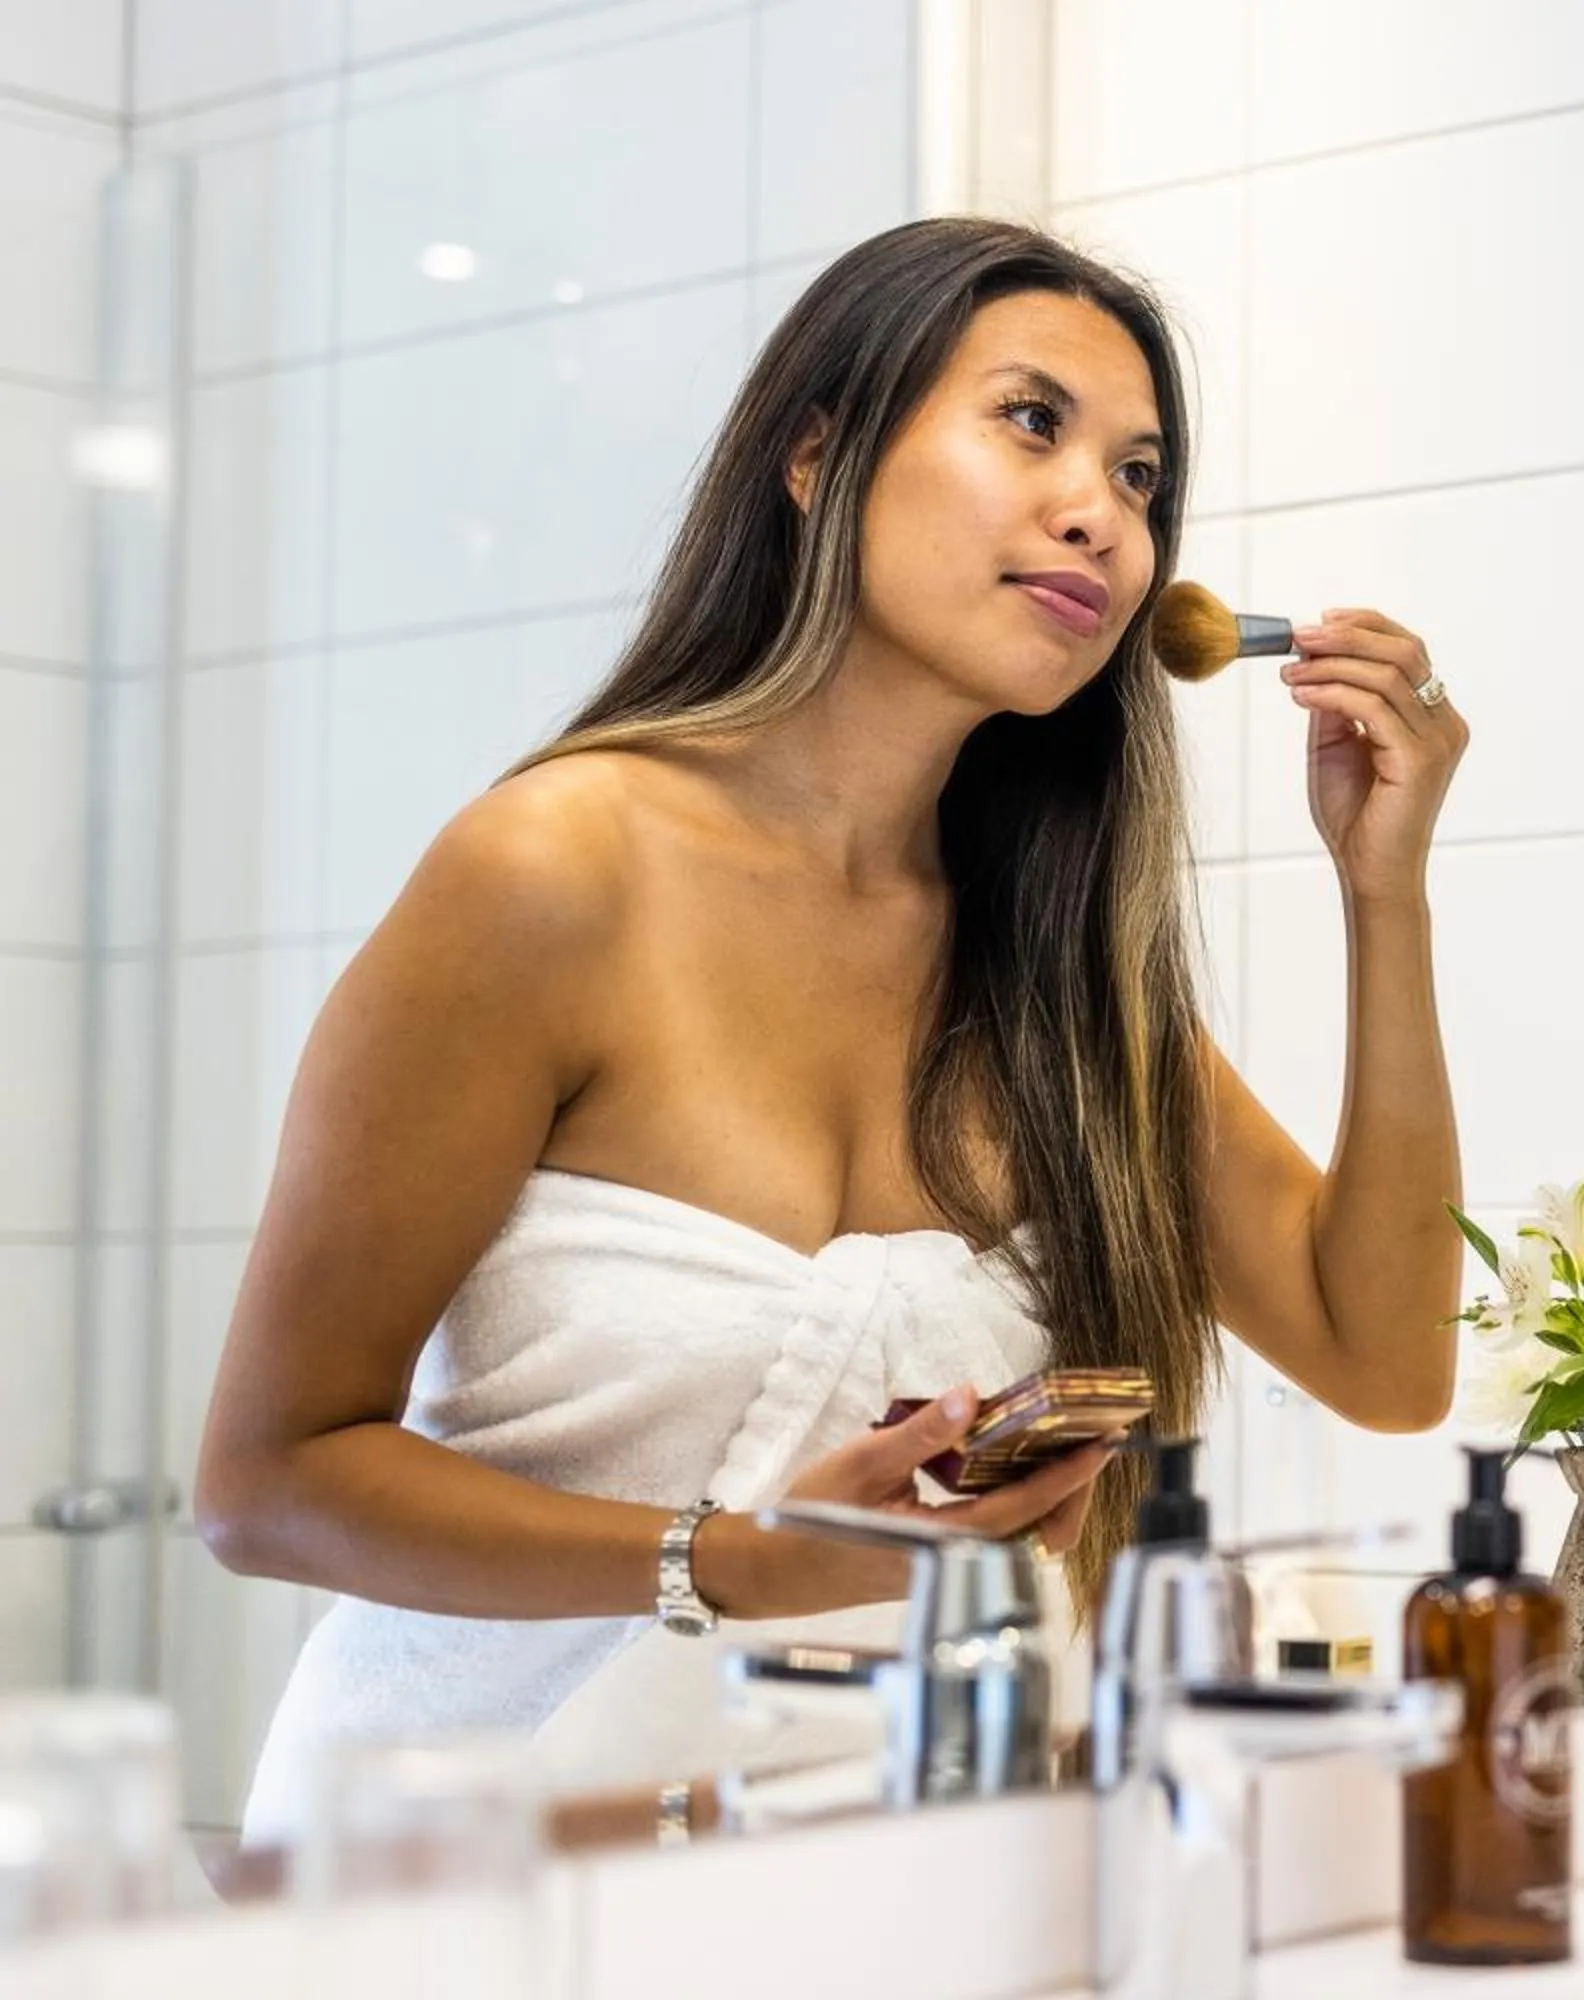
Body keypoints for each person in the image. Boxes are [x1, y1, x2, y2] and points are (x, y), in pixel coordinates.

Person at [194, 218, 1472, 1837]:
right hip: (463, 1886)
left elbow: (1385, 1358)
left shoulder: (1061, 971)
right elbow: (264, 1483)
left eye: (1142, 477)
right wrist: (719, 1560)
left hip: (877, 1880)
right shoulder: (553, 876)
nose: (1102, 511)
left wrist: (1387, 894)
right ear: (817, 455)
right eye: (1033, 421)